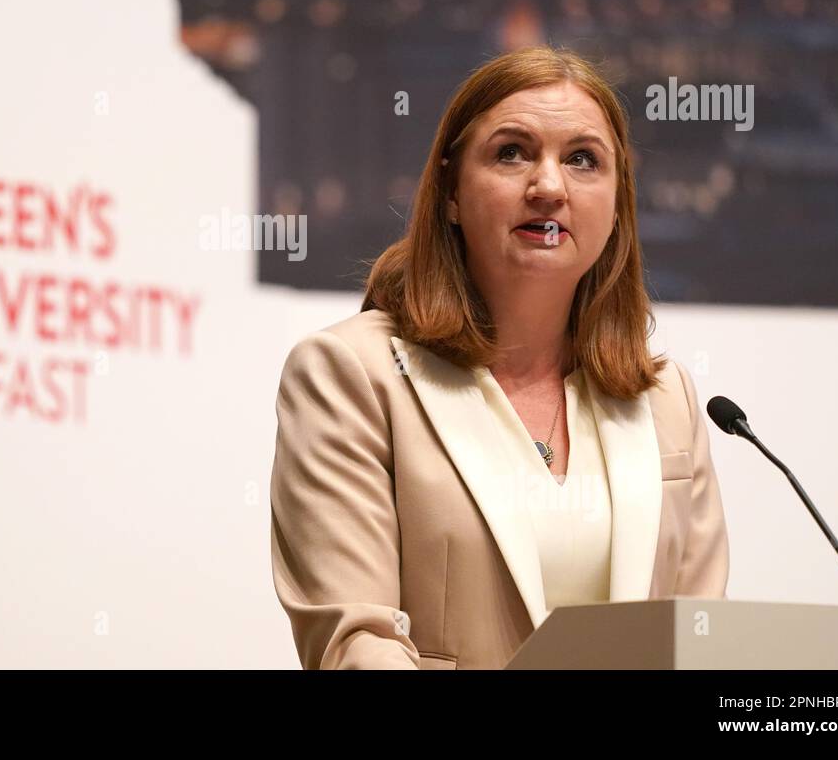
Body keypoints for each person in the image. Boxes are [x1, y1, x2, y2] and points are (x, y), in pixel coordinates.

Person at [269, 45, 728, 669]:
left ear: (618, 205)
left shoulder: (667, 398)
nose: (548, 186)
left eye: (582, 160)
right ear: (451, 192)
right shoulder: (351, 375)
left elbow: (702, 644)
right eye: (511, 153)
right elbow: (357, 643)